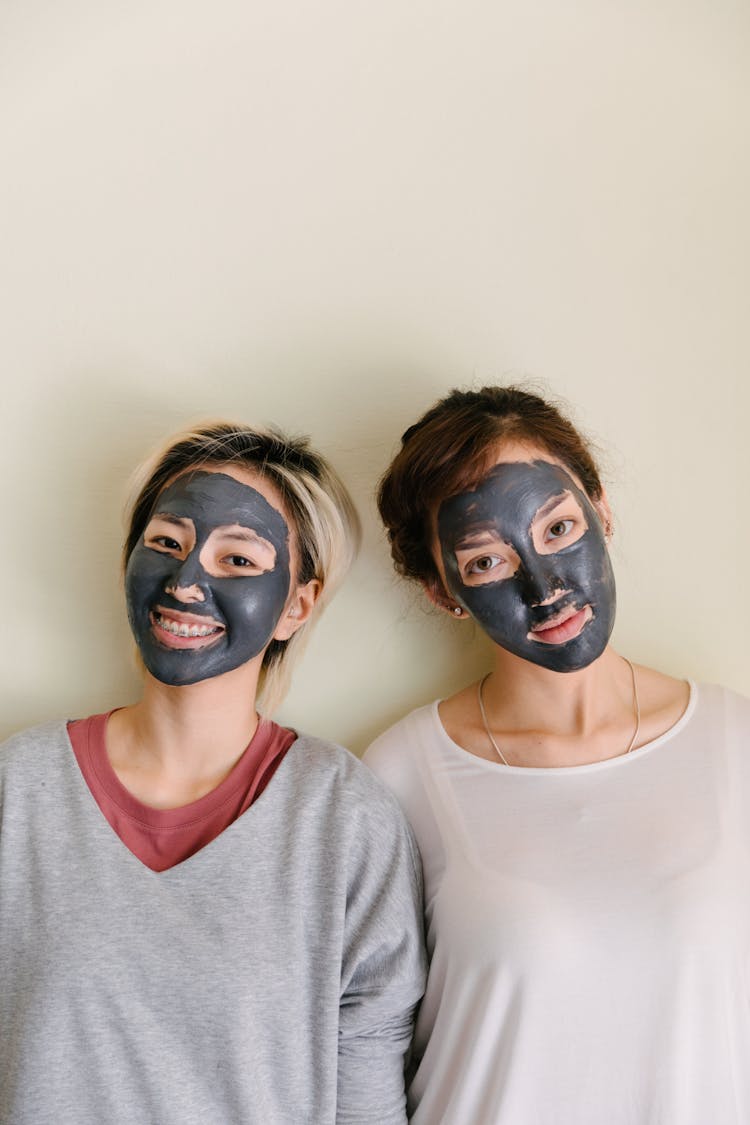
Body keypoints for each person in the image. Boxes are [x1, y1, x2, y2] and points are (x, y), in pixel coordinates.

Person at [0, 421, 425, 1125]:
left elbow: (369, 1087)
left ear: (298, 603)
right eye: (166, 543)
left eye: (238, 559)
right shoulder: (18, 790)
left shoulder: (345, 818)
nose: (187, 580)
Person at [364, 384, 750, 1125]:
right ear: (442, 590)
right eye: (484, 563)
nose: (547, 589)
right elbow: (364, 1042)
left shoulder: (733, 743)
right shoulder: (401, 774)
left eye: (559, 526)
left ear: (602, 511)